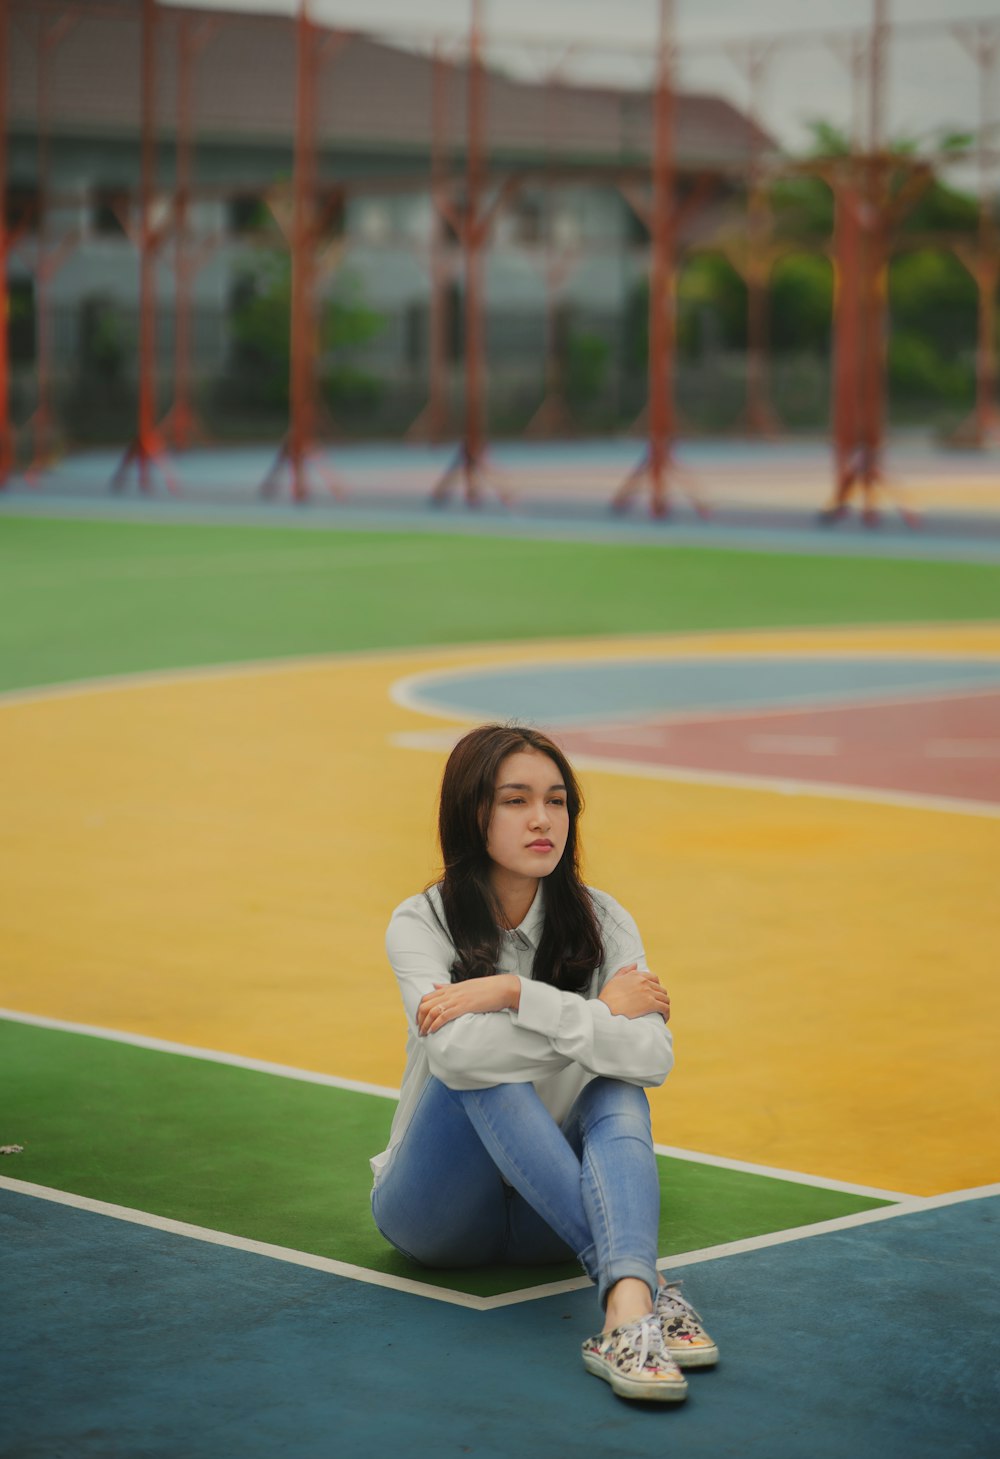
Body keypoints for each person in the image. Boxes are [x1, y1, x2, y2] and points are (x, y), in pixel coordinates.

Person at [370, 723, 718, 1402]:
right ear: (473, 813)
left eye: (557, 801)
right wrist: (595, 1015)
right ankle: (639, 1282)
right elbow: (458, 1054)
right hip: (434, 1209)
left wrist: (512, 995)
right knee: (481, 1074)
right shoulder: (422, 921)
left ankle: (623, 1310)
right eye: (516, 800)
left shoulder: (603, 919)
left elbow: (652, 1055)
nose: (542, 819)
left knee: (617, 1085)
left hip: (546, 1213)